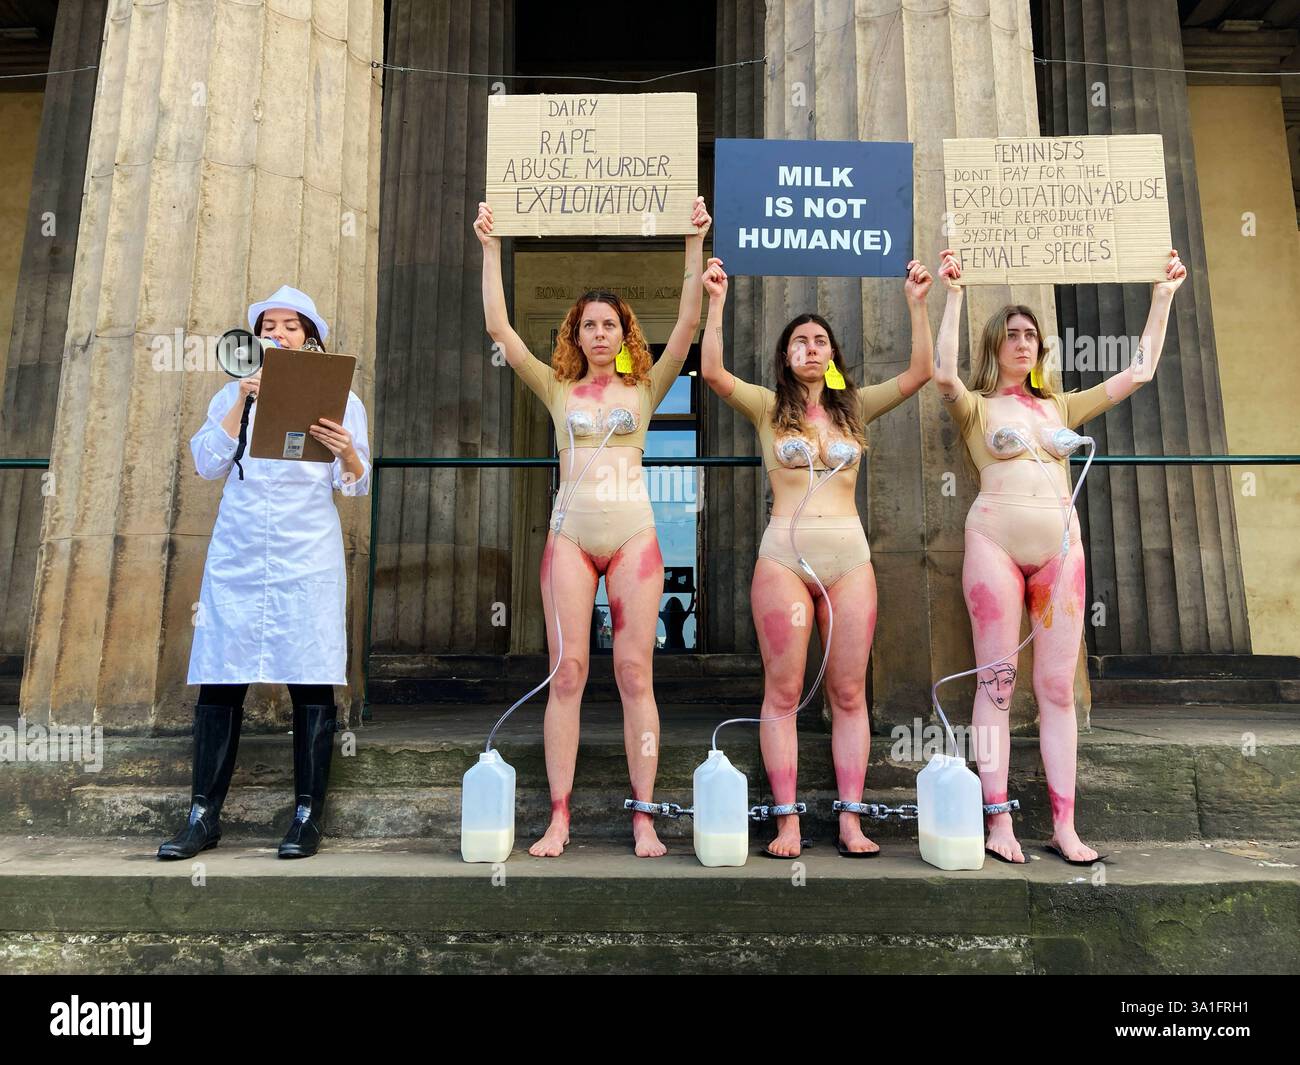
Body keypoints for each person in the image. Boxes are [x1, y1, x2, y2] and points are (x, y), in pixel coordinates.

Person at [473, 197, 711, 857]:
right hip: (570, 540)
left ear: (626, 332)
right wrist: (492, 246)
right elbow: (500, 329)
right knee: (568, 671)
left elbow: (689, 320)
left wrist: (694, 241)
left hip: (634, 537)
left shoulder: (648, 386)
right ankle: (559, 817)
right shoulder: (556, 388)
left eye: (610, 324)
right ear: (576, 335)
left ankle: (643, 816)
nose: (600, 333)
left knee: (635, 675)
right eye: (590, 325)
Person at [933, 247, 1187, 864]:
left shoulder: (1061, 406)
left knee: (1055, 687)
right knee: (997, 684)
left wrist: (1164, 296)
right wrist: (955, 294)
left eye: (1032, 336)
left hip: (1061, 550)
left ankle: (1064, 824)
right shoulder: (975, 406)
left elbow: (1140, 373)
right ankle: (997, 822)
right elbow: (942, 373)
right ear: (994, 345)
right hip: (993, 541)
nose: (1024, 344)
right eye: (1013, 336)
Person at [700, 255, 934, 858]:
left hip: (849, 561)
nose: (811, 348)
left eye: (821, 341)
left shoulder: (855, 407)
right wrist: (717, 304)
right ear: (785, 357)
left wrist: (916, 302)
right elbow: (714, 373)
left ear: (832, 354)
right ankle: (787, 821)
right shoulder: (764, 407)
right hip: (783, 561)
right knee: (782, 692)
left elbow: (920, 373)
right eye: (800, 341)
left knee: (849, 693)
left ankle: (852, 819)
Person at [158, 285, 371, 861]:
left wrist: (346, 450)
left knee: (309, 674)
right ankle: (203, 816)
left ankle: (306, 816)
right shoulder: (231, 394)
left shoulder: (342, 398)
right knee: (222, 675)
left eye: (289, 326)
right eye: (268, 326)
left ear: (309, 336)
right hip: (241, 550)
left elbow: (355, 483)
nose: (277, 334)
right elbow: (206, 462)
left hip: (307, 552)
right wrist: (241, 401)